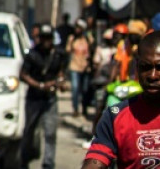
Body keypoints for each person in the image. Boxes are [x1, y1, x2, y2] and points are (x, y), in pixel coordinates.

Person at [82, 30, 160, 168]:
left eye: (159, 67)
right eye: (145, 67)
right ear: (137, 67)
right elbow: (95, 161)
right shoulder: (115, 117)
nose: (152, 75)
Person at [19, 24, 68, 169]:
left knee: (50, 132)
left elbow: (60, 72)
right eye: (44, 38)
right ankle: (24, 160)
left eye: (49, 38)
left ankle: (48, 163)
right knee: (29, 131)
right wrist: (40, 85)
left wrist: (61, 82)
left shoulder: (58, 54)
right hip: (34, 98)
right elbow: (23, 75)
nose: (47, 41)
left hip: (50, 99)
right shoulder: (32, 55)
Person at [67, 19, 94, 118]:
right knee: (75, 88)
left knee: (85, 89)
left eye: (79, 28)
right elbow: (68, 50)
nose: (77, 29)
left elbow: (92, 46)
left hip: (86, 67)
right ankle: (75, 109)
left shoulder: (87, 38)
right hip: (74, 66)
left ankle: (84, 108)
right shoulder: (72, 38)